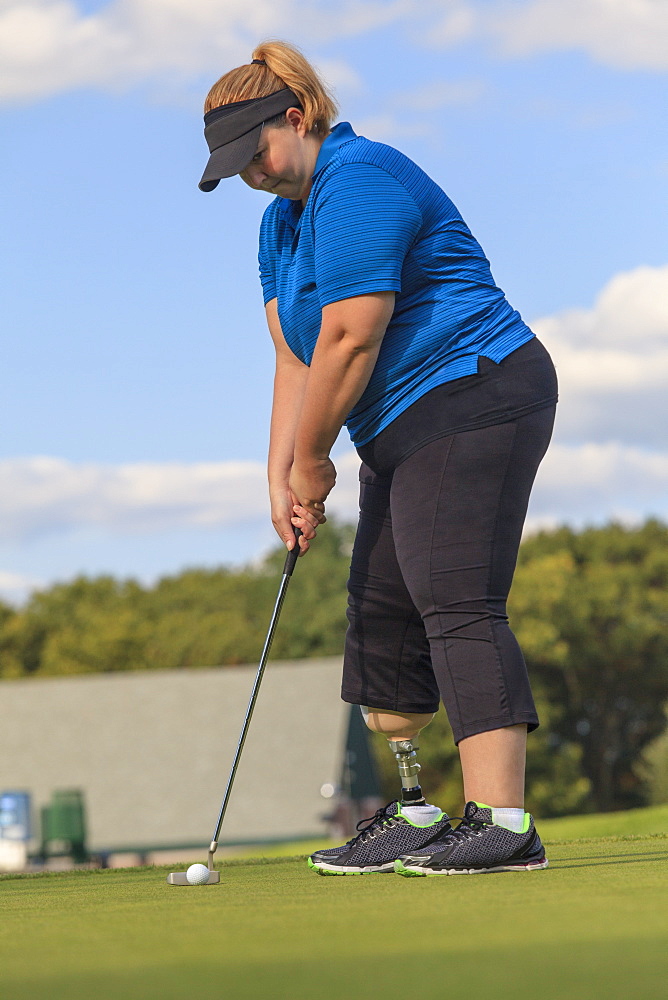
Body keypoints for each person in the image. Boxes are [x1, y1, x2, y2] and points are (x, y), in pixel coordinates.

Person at [199, 41, 557, 877]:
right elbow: (295, 357)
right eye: (234, 166)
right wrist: (283, 475)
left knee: (453, 594)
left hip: (475, 390)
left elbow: (352, 335)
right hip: (396, 426)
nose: (251, 173)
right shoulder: (279, 224)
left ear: (296, 117)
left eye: (256, 152)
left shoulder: (358, 178)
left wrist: (317, 459)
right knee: (382, 621)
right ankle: (415, 812)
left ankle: (504, 822)